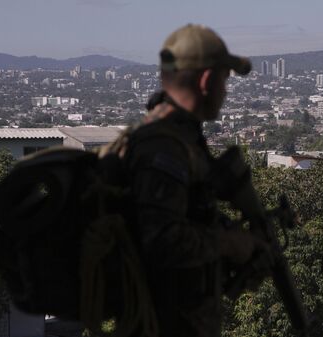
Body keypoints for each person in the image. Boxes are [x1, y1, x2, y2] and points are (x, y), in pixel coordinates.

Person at [124, 24, 269, 337]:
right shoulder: (164, 146)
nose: (225, 91)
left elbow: (184, 217)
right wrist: (229, 243)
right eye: (224, 80)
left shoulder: (178, 137)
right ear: (206, 80)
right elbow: (160, 240)